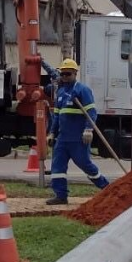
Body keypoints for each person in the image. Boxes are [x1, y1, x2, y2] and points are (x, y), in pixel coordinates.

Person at [46, 58, 109, 205]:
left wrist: (88, 129)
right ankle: (61, 196)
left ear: (75, 73)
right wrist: (52, 133)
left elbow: (91, 112)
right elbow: (57, 116)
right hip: (62, 139)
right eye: (63, 74)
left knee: (85, 165)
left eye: (68, 74)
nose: (65, 77)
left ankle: (106, 188)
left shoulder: (82, 90)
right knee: (57, 167)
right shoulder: (60, 92)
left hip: (78, 139)